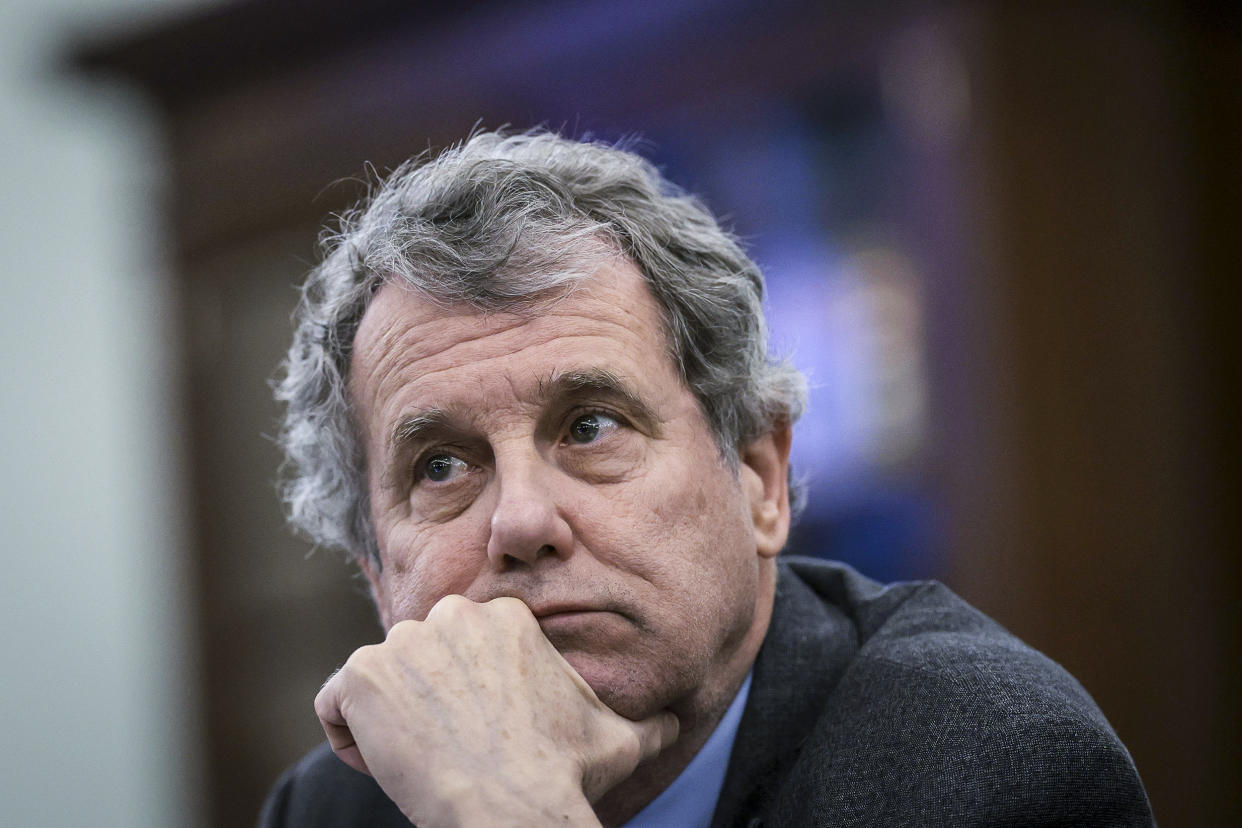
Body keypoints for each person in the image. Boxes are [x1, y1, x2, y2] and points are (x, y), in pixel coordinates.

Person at [258, 130, 1153, 827]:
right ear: (377, 576)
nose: (523, 521)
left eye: (591, 426)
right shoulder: (340, 810)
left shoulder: (987, 767)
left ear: (759, 477)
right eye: (442, 467)